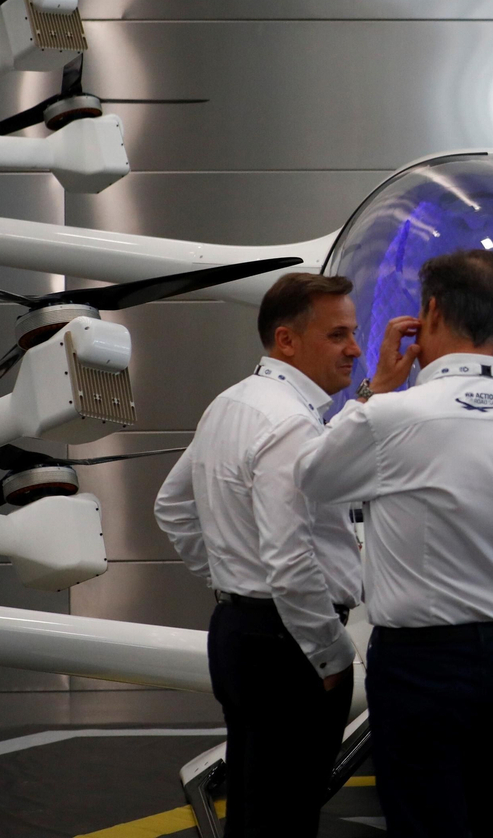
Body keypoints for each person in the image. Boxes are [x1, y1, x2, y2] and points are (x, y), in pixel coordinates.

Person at [295, 249, 493, 838]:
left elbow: (312, 478)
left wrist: (375, 387)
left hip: (418, 666)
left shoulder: (388, 417)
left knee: (425, 824)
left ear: (431, 313)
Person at [154, 272, 417, 837]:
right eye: (338, 335)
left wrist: (232, 578)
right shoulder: (289, 422)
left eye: (354, 333)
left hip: (241, 634)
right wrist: (330, 654)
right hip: (290, 650)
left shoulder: (232, 404)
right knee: (286, 818)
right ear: (287, 340)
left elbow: (171, 507)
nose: (354, 348)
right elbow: (290, 558)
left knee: (257, 808)